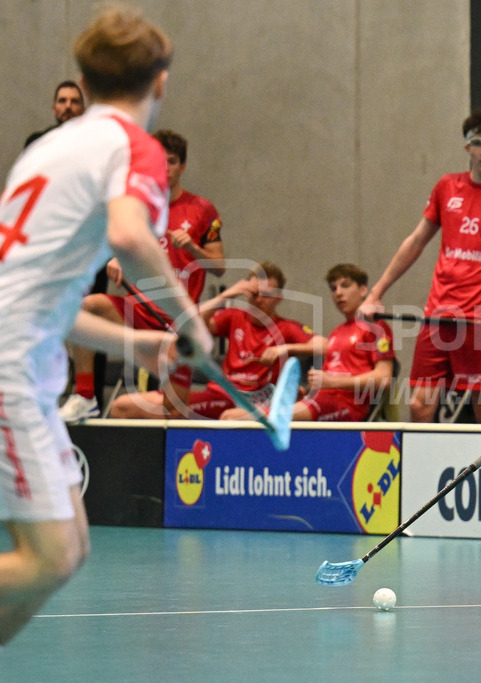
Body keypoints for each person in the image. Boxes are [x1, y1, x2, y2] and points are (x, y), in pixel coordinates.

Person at [0, 6, 214, 645]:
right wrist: (190, 323)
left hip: (23, 355)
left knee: (70, 546)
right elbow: (129, 236)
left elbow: (40, 298)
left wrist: (139, 342)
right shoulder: (132, 147)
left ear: (84, 85)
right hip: (11, 369)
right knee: (51, 556)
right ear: (161, 82)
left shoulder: (49, 151)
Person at [358, 109, 481, 424]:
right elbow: (416, 241)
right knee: (420, 406)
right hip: (438, 315)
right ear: (467, 147)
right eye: (478, 142)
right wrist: (376, 293)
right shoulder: (446, 187)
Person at [60, 128, 226, 422]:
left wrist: (193, 249)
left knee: (173, 410)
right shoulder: (138, 208)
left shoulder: (202, 210)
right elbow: (119, 242)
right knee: (88, 307)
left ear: (182, 166)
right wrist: (117, 258)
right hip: (141, 311)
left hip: (179, 324)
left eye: (172, 161)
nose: (165, 168)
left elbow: (219, 266)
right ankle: (84, 396)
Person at [110, 262, 311, 419]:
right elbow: (190, 324)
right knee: (121, 407)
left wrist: (284, 349)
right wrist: (226, 295)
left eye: (266, 295)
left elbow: (324, 345)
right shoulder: (234, 316)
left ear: (279, 298)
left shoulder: (287, 328)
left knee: (168, 411)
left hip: (248, 402)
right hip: (220, 394)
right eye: (255, 293)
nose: (259, 300)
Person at [225, 263, 394, 422]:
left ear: (363, 289)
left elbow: (384, 378)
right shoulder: (336, 333)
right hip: (320, 401)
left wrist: (332, 382)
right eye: (333, 288)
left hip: (345, 406)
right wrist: (305, 390)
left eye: (346, 285)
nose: (338, 293)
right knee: (232, 416)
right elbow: (328, 377)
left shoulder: (376, 327)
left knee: (234, 418)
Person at [24, 80, 86, 148]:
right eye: (62, 101)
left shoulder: (91, 141)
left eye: (74, 101)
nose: (68, 106)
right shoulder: (37, 142)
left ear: (83, 110)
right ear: (54, 109)